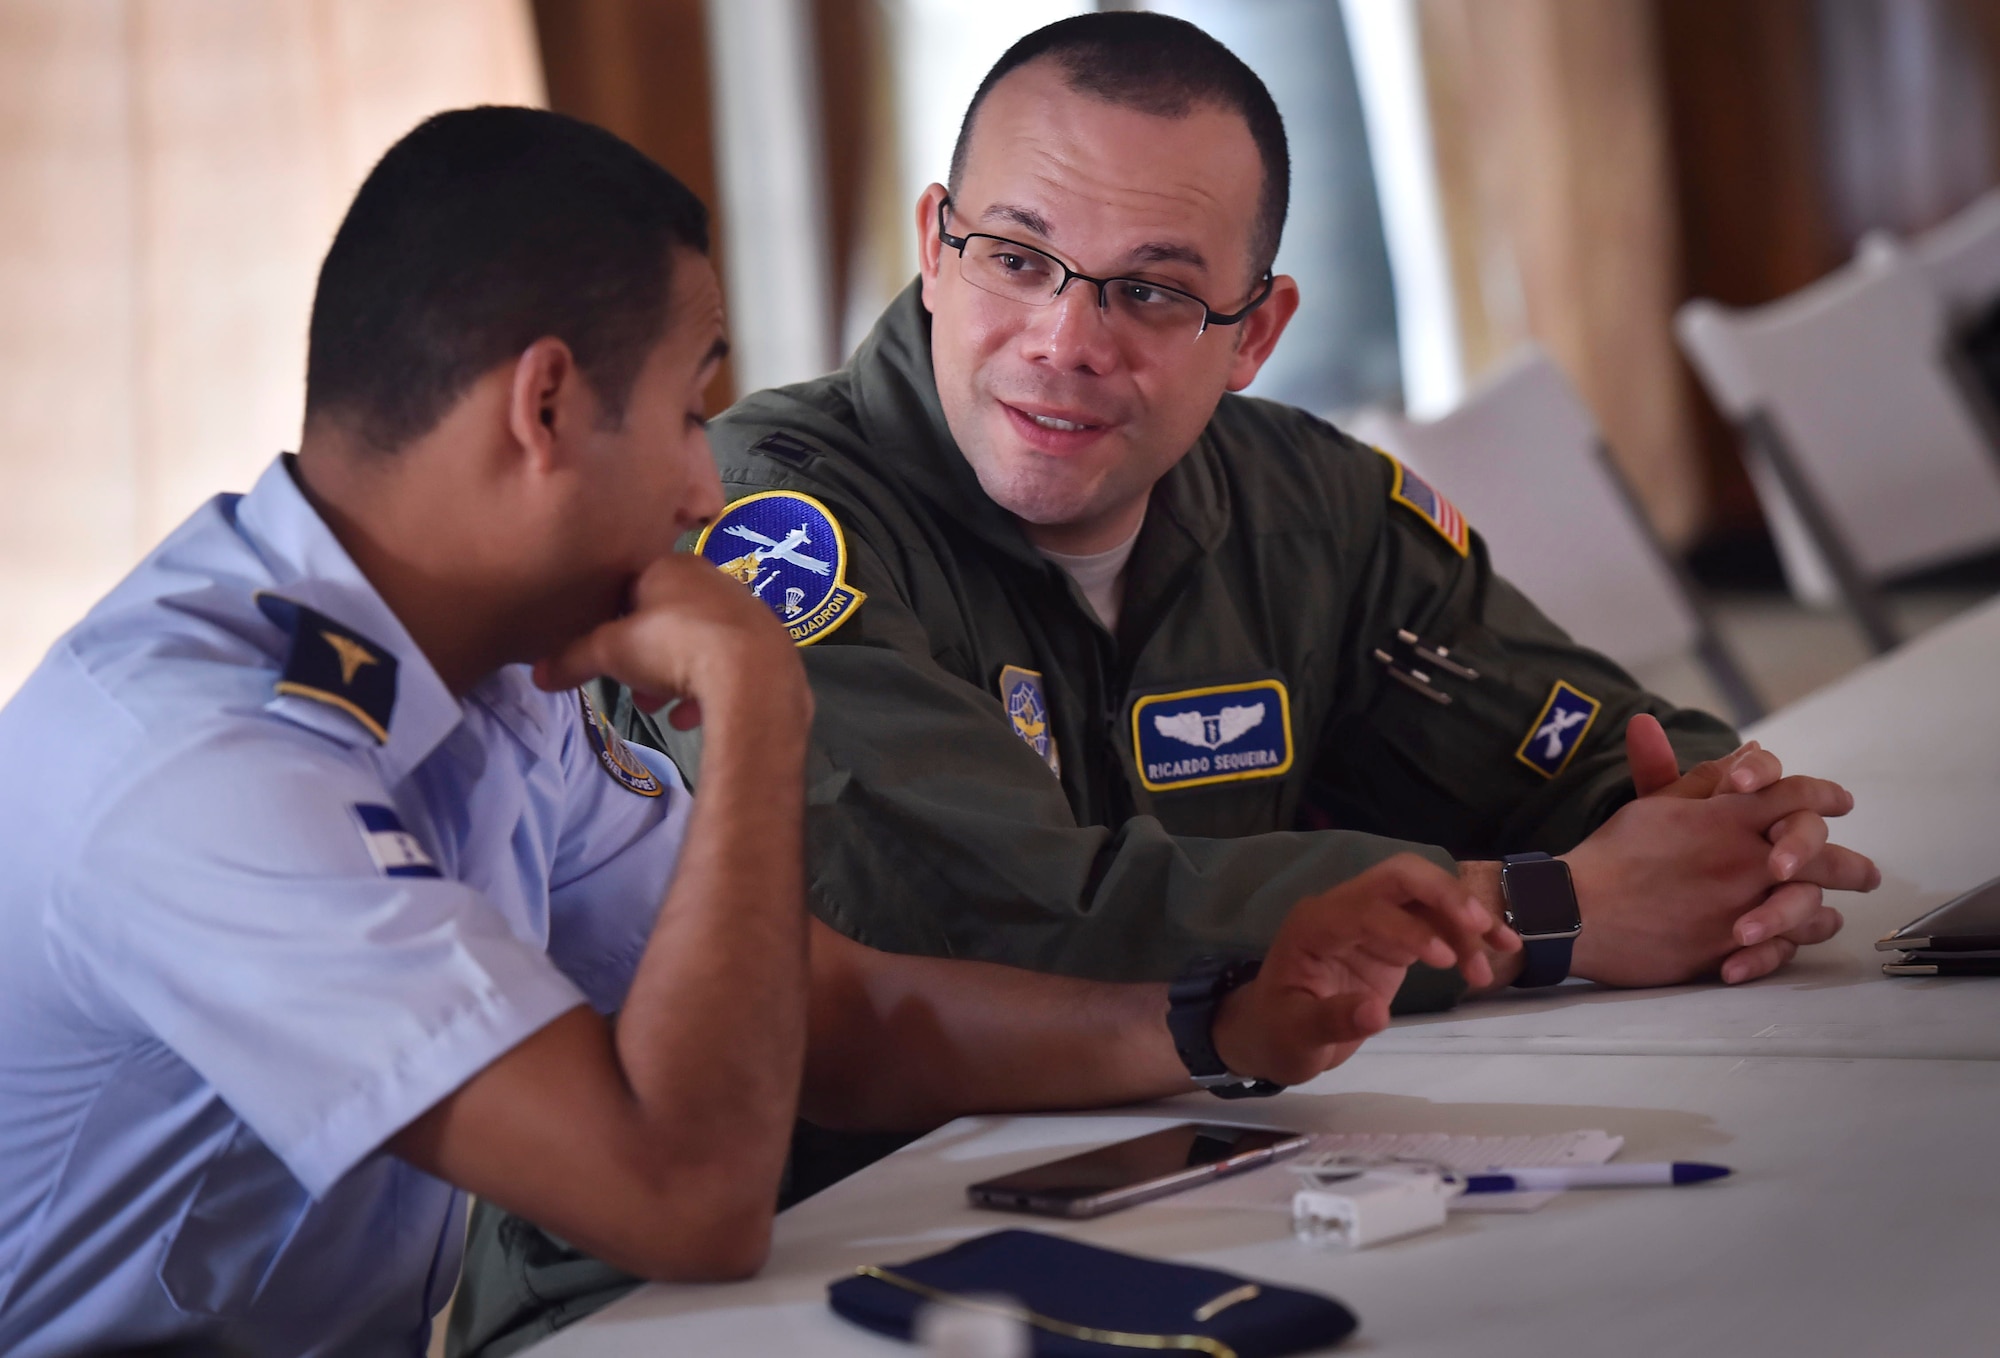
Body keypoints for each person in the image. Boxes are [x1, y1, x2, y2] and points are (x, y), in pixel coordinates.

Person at [0, 106, 1508, 1357]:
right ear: (543, 405)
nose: (704, 490)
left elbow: (830, 1013)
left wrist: (1216, 1025)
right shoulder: (210, 769)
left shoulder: (480, 674)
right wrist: (761, 708)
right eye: (684, 410)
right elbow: (681, 1197)